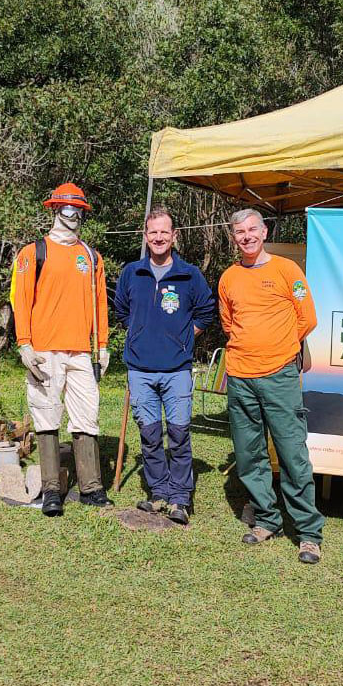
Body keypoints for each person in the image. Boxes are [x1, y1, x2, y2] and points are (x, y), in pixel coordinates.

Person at [217, 208, 325, 565]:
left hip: (279, 376)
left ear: (264, 232)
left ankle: (308, 533)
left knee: (292, 454)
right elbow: (229, 324)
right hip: (240, 376)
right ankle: (267, 520)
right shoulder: (229, 277)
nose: (246, 236)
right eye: (239, 232)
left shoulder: (286, 270)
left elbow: (307, 317)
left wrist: (281, 348)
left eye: (252, 230)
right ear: (234, 237)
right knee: (249, 454)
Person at [11, 183, 112, 517]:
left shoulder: (91, 256)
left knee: (87, 416)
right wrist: (24, 344)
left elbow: (100, 304)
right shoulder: (33, 252)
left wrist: (102, 345)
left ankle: (91, 487)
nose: (73, 215)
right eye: (67, 208)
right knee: (46, 414)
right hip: (44, 349)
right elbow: (21, 300)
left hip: (81, 350)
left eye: (78, 210)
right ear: (55, 209)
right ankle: (52, 489)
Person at [112, 207, 215, 525]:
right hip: (140, 369)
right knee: (150, 434)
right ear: (145, 236)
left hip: (177, 370)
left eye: (164, 232)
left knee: (179, 434)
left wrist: (183, 338)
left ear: (174, 236)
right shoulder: (132, 273)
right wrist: (140, 333)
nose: (158, 237)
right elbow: (121, 309)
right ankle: (158, 492)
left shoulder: (189, 275)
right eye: (153, 232)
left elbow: (206, 311)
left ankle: (180, 498)